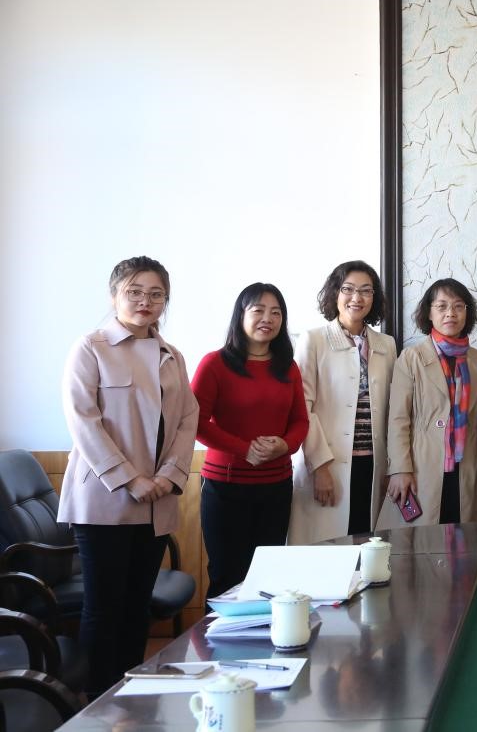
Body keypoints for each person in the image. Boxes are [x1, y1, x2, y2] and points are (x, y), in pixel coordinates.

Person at [60, 256, 198, 696]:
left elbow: (187, 419)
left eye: (156, 294)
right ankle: (97, 703)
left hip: (158, 499)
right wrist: (130, 479)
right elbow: (83, 421)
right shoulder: (91, 347)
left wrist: (170, 474)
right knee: (104, 608)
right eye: (134, 292)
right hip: (104, 502)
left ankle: (131, 695)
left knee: (137, 607)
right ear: (114, 294)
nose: (145, 301)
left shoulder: (172, 355)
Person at [192, 283, 308, 599]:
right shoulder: (215, 363)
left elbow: (300, 421)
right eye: (258, 310)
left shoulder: (288, 367)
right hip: (225, 487)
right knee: (227, 578)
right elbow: (194, 423)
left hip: (277, 487)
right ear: (240, 315)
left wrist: (285, 445)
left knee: (267, 579)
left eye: (276, 312)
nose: (267, 318)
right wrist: (244, 450)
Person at [288, 261, 397, 545]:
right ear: (335, 293)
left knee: (367, 548)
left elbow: (392, 411)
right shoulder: (313, 340)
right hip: (328, 466)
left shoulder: (386, 344)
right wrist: (320, 467)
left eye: (366, 291)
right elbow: (302, 407)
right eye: (348, 289)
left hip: (372, 467)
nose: (357, 298)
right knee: (324, 551)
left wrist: (391, 467)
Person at [379, 278, 477, 527]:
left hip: (468, 467)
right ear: (429, 313)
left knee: (465, 540)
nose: (450, 313)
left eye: (458, 306)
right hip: (422, 469)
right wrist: (399, 469)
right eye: (442, 306)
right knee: (420, 542)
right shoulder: (411, 358)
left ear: (467, 312)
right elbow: (398, 419)